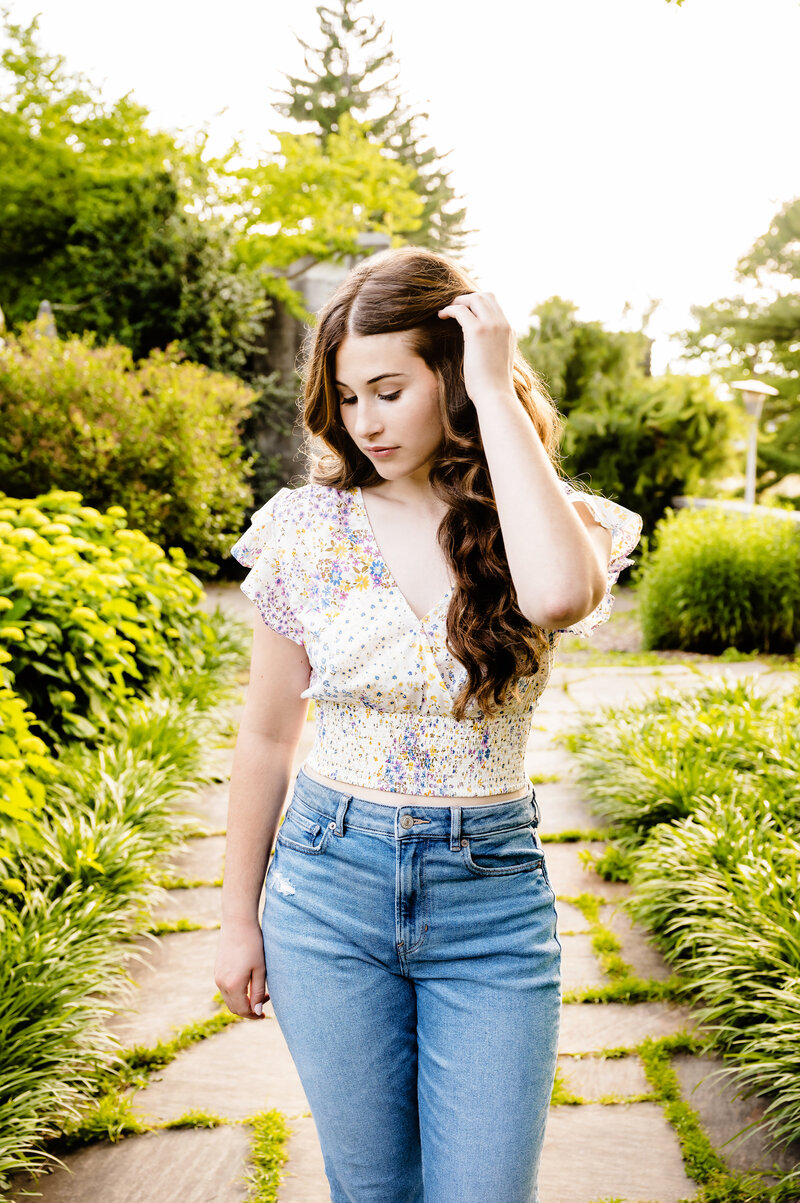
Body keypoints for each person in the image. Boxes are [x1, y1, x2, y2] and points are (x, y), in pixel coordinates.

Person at [214, 246, 642, 1202]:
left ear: (448, 375)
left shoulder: (543, 519)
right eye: (348, 396)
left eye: (390, 389)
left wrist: (492, 389)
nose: (364, 422)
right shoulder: (305, 529)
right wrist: (236, 915)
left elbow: (563, 595)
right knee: (373, 1192)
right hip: (329, 887)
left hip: (488, 899)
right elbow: (265, 738)